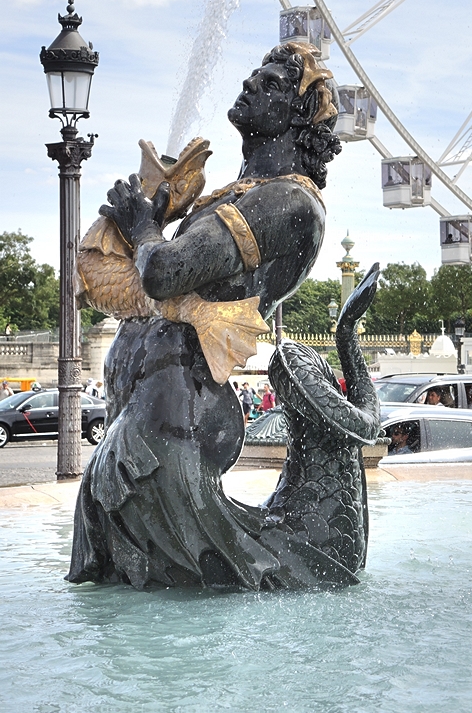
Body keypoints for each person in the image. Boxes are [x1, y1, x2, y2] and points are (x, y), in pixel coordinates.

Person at [67, 42, 345, 590]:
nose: (249, 86)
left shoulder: (287, 202)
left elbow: (165, 273)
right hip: (145, 411)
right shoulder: (234, 195)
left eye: (269, 85)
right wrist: (153, 215)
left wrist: (143, 225)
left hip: (176, 416)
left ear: (297, 116)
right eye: (252, 77)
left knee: (174, 619)